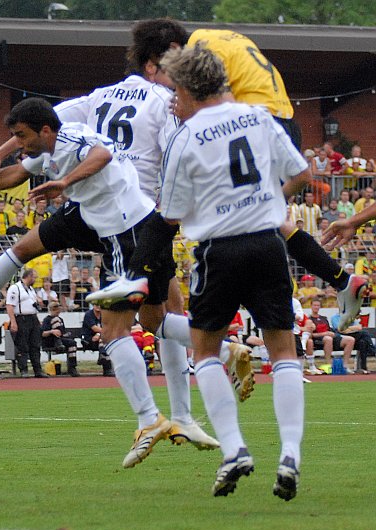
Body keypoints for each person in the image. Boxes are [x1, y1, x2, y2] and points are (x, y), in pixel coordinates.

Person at [0, 98, 218, 465]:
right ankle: (208, 373)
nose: (18, 143)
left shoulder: (70, 140)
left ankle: (155, 417)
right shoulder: (49, 147)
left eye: (22, 136)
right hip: (104, 218)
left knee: (118, 331)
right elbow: (15, 174)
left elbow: (102, 154)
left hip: (125, 231)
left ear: (45, 130)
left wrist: (65, 181)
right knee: (153, 319)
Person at [91, 20, 367, 336]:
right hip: (276, 119)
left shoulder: (200, 52)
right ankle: (342, 281)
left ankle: (137, 279)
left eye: (160, 69)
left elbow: (213, 96)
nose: (163, 81)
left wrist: (190, 118)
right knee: (267, 221)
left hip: (254, 124)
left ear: (173, 50)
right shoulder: (216, 37)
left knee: (189, 214)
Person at [153, 45, 310, 500]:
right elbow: (301, 173)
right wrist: (267, 200)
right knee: (284, 352)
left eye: (175, 91)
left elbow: (171, 213)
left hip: (218, 251)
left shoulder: (185, 136)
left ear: (189, 89)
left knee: (205, 352)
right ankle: (290, 454)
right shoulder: (258, 117)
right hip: (267, 244)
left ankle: (235, 448)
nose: (173, 101)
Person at [7, 269, 47, 378]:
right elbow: (10, 305)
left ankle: (37, 370)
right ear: (28, 276)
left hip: (33, 318)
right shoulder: (15, 288)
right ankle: (23, 369)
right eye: (34, 277)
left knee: (35, 345)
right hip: (21, 318)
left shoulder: (31, 289)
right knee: (22, 345)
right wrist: (13, 322)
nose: (35, 280)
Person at [41, 301, 79, 376]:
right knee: (55, 320)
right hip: (49, 341)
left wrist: (65, 335)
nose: (57, 312)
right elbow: (42, 334)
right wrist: (52, 331)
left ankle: (72, 367)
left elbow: (62, 333)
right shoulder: (47, 320)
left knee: (72, 344)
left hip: (60, 340)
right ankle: (58, 344)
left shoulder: (60, 319)